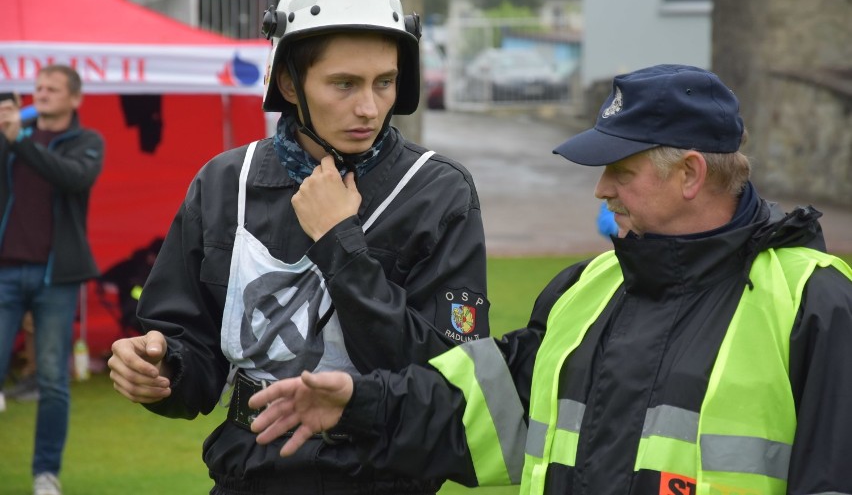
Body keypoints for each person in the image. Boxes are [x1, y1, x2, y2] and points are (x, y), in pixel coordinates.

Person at [248, 64, 852, 495]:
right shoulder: (585, 289)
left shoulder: (813, 303)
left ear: (690, 173)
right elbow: (482, 410)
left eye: (621, 168)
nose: (601, 188)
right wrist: (359, 402)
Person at [107, 0, 489, 495]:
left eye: (384, 82)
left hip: (383, 480)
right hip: (249, 476)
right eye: (344, 83)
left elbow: (453, 386)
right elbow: (190, 349)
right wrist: (162, 367)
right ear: (288, 84)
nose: (369, 108)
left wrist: (340, 244)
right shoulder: (224, 183)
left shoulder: (438, 192)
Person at [0, 66, 105, 495]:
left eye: (51, 89)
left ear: (75, 99)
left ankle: (46, 474)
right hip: (5, 271)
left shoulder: (87, 143)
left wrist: (19, 141)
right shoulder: (9, 138)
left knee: (51, 381)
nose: (40, 94)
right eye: (37, 88)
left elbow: (72, 177)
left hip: (55, 279)